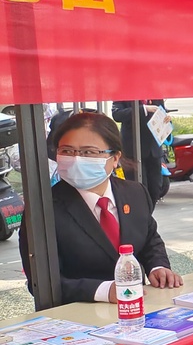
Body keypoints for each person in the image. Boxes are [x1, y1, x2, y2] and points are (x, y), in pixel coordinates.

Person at [18, 112, 183, 304]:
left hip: (136, 309)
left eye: (88, 152)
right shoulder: (44, 208)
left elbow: (149, 240)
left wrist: (158, 267)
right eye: (67, 151)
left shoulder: (135, 193)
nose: (77, 159)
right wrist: (105, 291)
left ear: (114, 158)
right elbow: (42, 283)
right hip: (79, 319)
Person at [111, 99, 167, 208]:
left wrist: (166, 119)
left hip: (153, 148)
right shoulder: (124, 92)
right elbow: (117, 114)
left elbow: (161, 112)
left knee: (155, 188)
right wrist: (144, 109)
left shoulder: (155, 92)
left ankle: (147, 218)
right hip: (133, 148)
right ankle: (142, 218)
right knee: (139, 189)